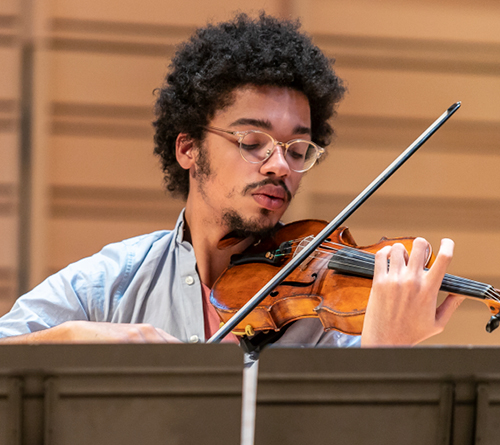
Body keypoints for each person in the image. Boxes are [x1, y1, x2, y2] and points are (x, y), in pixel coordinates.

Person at [0, 13, 463, 347]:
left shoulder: (325, 322)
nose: (279, 165)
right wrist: (73, 337)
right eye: (251, 140)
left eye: (297, 149)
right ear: (188, 148)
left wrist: (385, 348)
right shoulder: (111, 285)